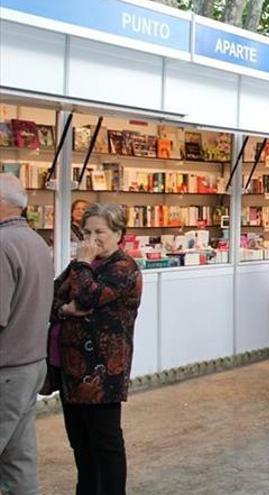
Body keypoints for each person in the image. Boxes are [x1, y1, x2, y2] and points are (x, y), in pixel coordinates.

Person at [53, 203, 143, 495]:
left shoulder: (123, 268)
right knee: (80, 443)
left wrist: (81, 265)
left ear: (119, 234)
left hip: (104, 373)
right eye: (87, 232)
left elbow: (89, 296)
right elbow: (53, 297)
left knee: (106, 443)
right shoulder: (83, 265)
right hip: (72, 370)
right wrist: (67, 309)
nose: (91, 239)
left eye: (100, 232)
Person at [0, 173, 53, 495]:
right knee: (19, 460)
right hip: (31, 364)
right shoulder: (35, 241)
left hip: (6, 370)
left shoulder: (3, 245)